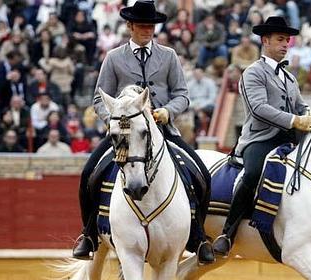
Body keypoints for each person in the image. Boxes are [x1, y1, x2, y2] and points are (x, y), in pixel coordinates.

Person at [72, 1, 215, 264]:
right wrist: (116, 121)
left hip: (161, 127)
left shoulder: (169, 55)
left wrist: (168, 112)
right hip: (126, 131)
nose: (147, 30)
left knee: (200, 174)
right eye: (142, 25)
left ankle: (198, 235)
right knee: (89, 174)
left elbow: (182, 95)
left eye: (151, 26)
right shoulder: (114, 57)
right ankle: (89, 233)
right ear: (130, 26)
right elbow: (98, 99)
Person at [212, 16, 311, 257]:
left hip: (290, 139)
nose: (285, 44)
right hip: (261, 139)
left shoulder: (289, 77)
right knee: (252, 173)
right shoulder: (252, 73)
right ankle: (227, 233)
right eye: (280, 39)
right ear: (265, 40)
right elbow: (258, 109)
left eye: (288, 40)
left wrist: (308, 115)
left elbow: (301, 105)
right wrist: (294, 120)